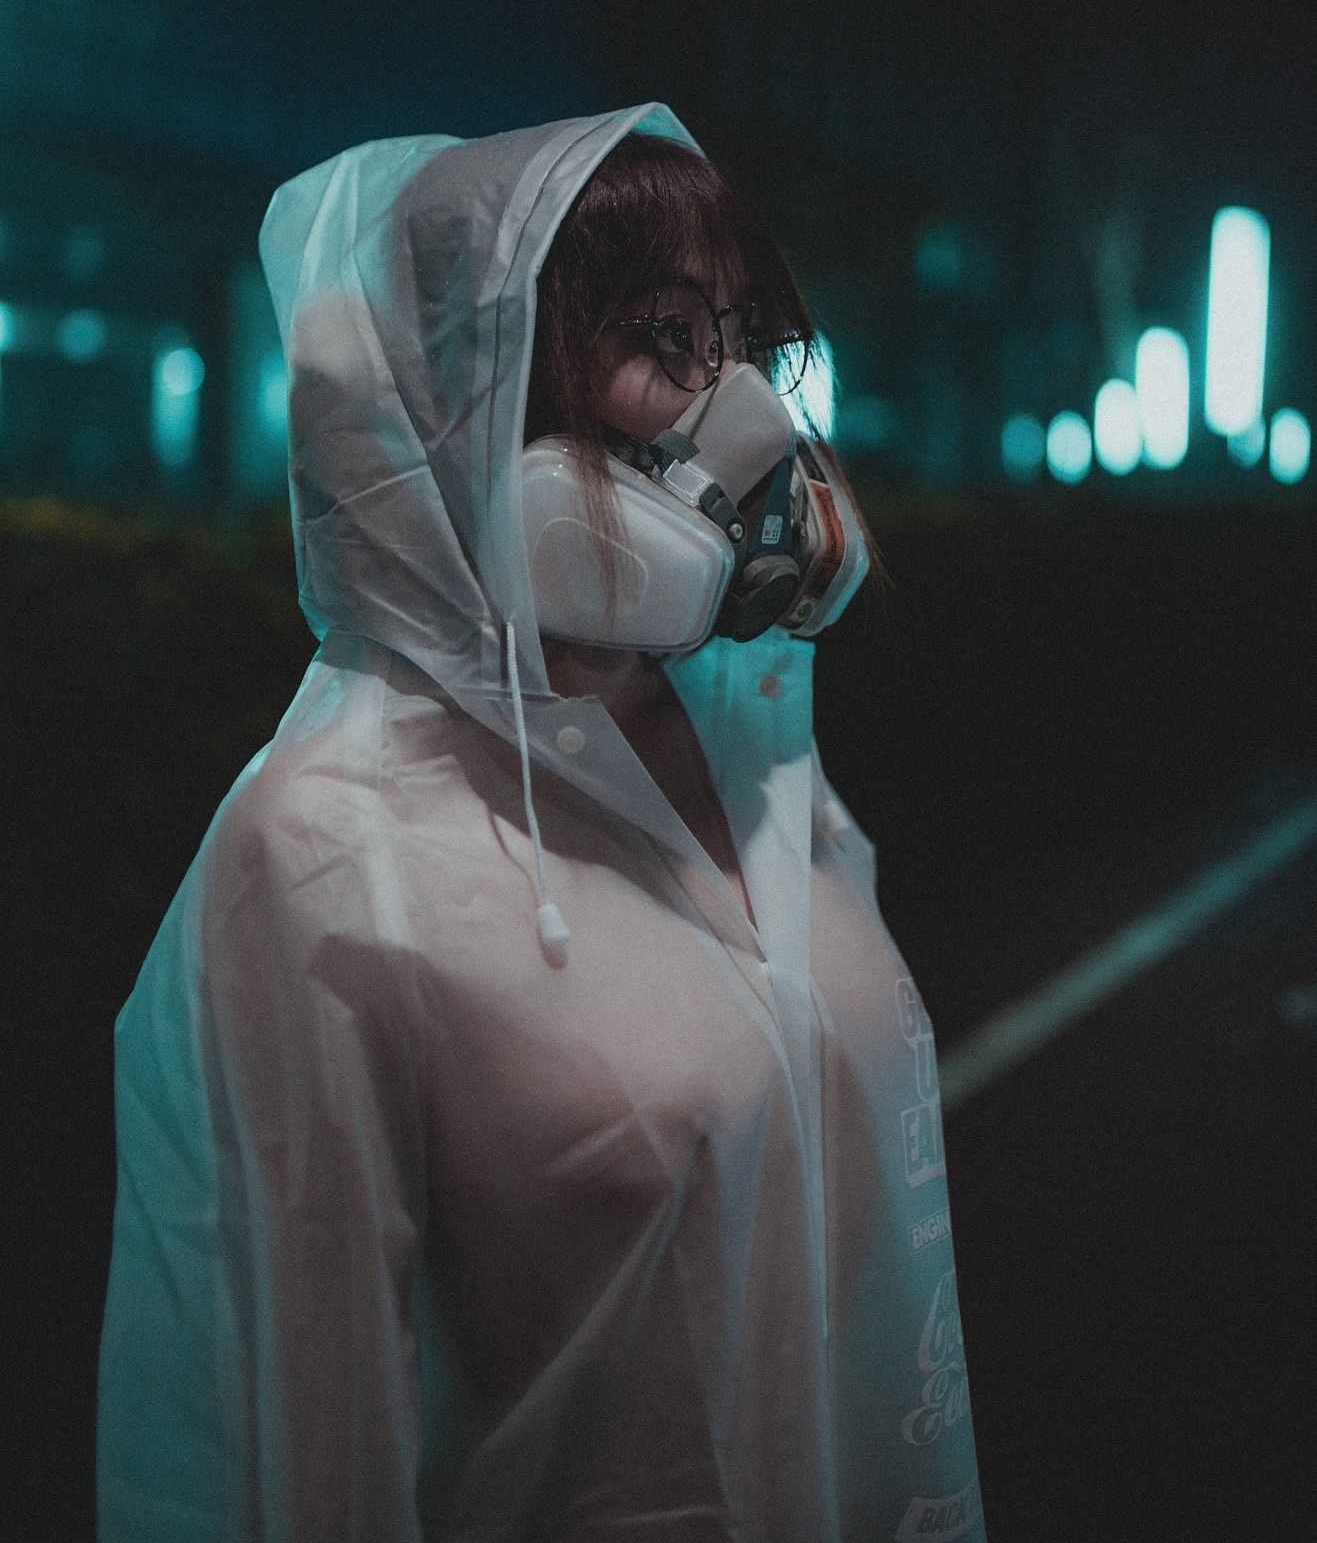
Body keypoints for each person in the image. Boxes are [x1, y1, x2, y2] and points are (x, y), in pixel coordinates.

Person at [97, 105, 986, 1542]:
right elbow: (292, 1466)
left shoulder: (747, 744)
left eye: (744, 343)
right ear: (466, 399)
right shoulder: (327, 849)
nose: (749, 416)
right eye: (664, 338)